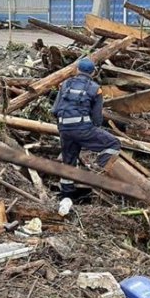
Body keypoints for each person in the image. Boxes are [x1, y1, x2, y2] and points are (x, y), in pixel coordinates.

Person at [51, 58, 121, 200]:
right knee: (113, 144)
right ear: (93, 72)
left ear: (77, 70)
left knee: (68, 161)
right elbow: (97, 119)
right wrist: (91, 130)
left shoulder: (65, 84)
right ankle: (97, 170)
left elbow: (55, 110)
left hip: (64, 129)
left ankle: (67, 196)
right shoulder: (95, 89)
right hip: (83, 129)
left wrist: (64, 127)